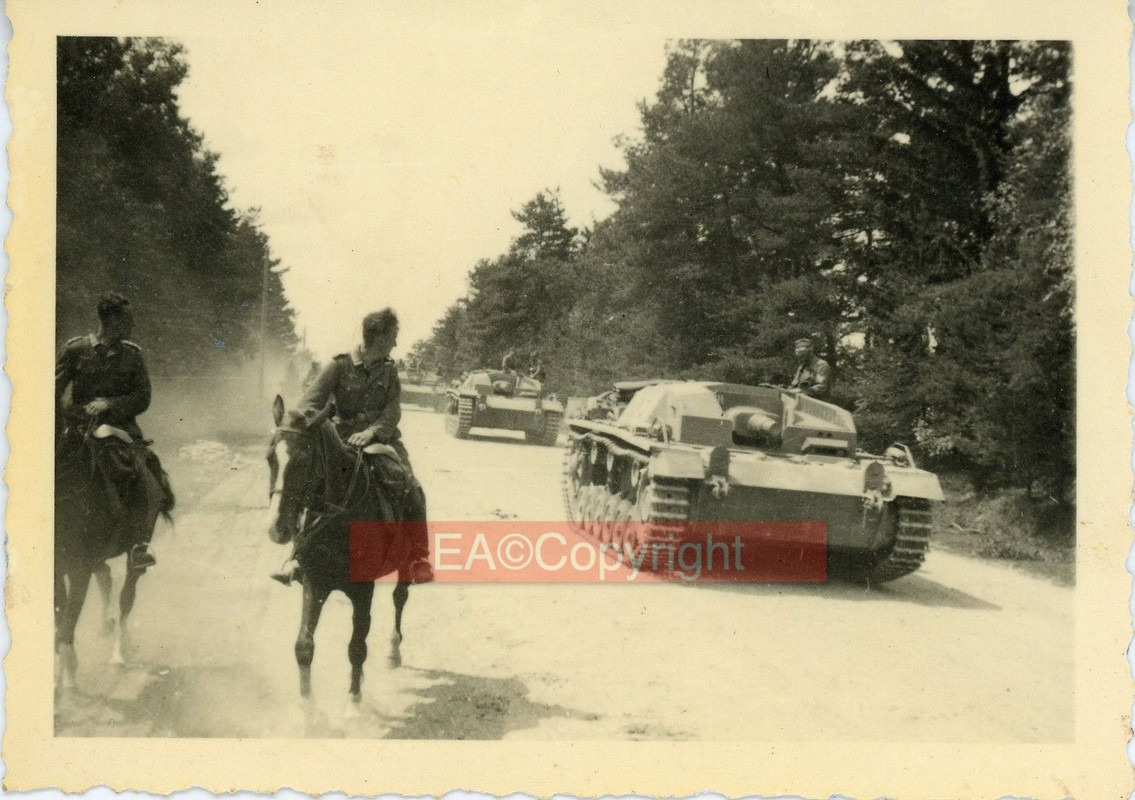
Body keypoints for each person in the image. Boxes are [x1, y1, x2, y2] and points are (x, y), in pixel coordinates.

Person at [272, 308, 433, 585]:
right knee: (314, 486)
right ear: (379, 337)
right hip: (340, 439)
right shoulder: (338, 365)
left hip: (382, 440)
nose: (395, 343)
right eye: (393, 336)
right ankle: (297, 558)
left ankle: (418, 558)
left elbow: (392, 412)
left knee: (410, 485)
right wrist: (310, 424)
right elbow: (310, 403)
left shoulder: (389, 369)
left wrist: (372, 432)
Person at [55, 292, 171, 571]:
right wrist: (70, 415)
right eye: (127, 320)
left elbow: (143, 398)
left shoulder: (132, 355)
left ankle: (137, 543)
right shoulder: (75, 349)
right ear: (111, 321)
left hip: (119, 431)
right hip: (77, 428)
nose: (132, 327)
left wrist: (109, 404)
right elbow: (53, 391)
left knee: (139, 472)